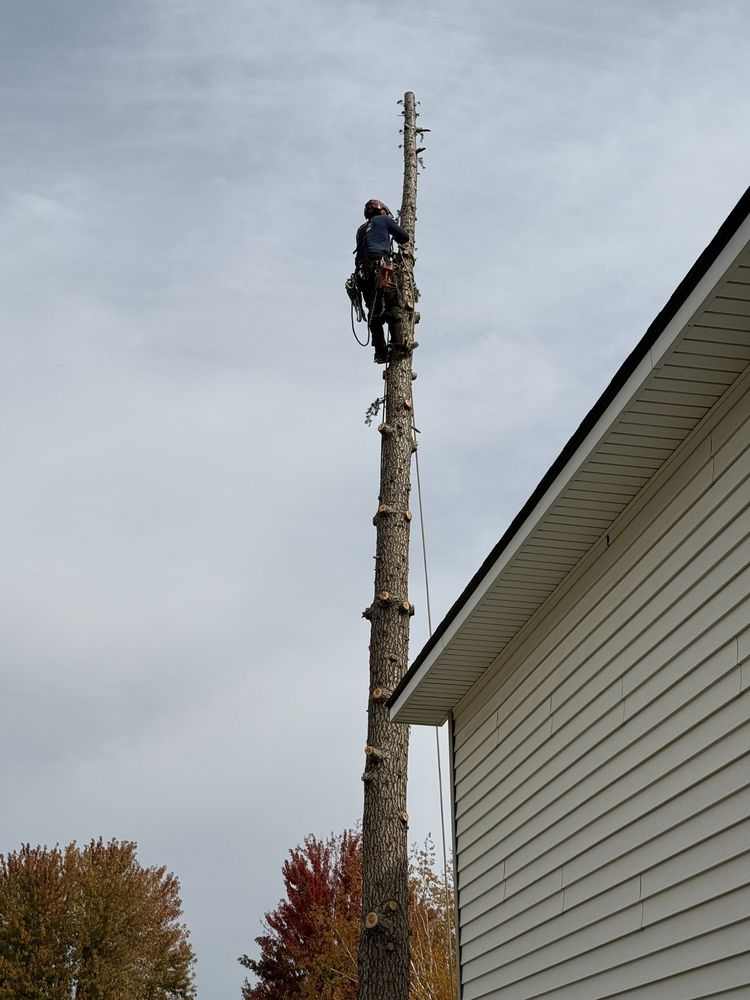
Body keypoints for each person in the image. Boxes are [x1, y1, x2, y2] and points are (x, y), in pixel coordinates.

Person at [355, 199, 410, 363]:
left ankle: (380, 352)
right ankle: (399, 345)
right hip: (380, 266)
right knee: (393, 305)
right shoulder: (384, 220)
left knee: (374, 313)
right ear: (382, 211)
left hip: (362, 274)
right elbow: (404, 237)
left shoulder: (361, 229)